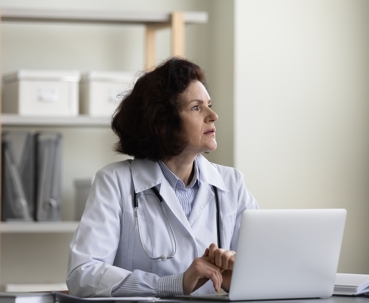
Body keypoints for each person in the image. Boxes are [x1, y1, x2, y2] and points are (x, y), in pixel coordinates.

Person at [66, 57, 259, 297]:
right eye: (196, 107)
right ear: (164, 122)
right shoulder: (115, 182)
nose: (213, 115)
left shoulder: (232, 184)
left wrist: (236, 276)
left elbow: (266, 268)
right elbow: (83, 274)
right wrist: (172, 284)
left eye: (209, 104)